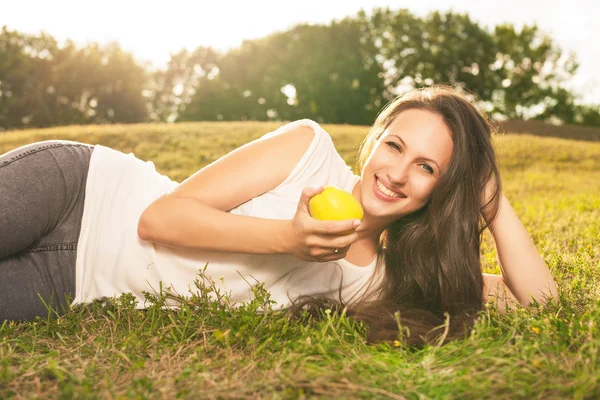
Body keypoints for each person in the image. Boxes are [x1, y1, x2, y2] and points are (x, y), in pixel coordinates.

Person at [0, 85, 558, 347]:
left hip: (69, 284)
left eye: (427, 167)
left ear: (441, 190)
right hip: (80, 191)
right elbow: (159, 220)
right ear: (373, 144)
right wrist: (288, 238)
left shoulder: (389, 281)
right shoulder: (307, 149)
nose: (397, 172)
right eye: (393, 145)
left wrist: (493, 200)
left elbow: (544, 305)